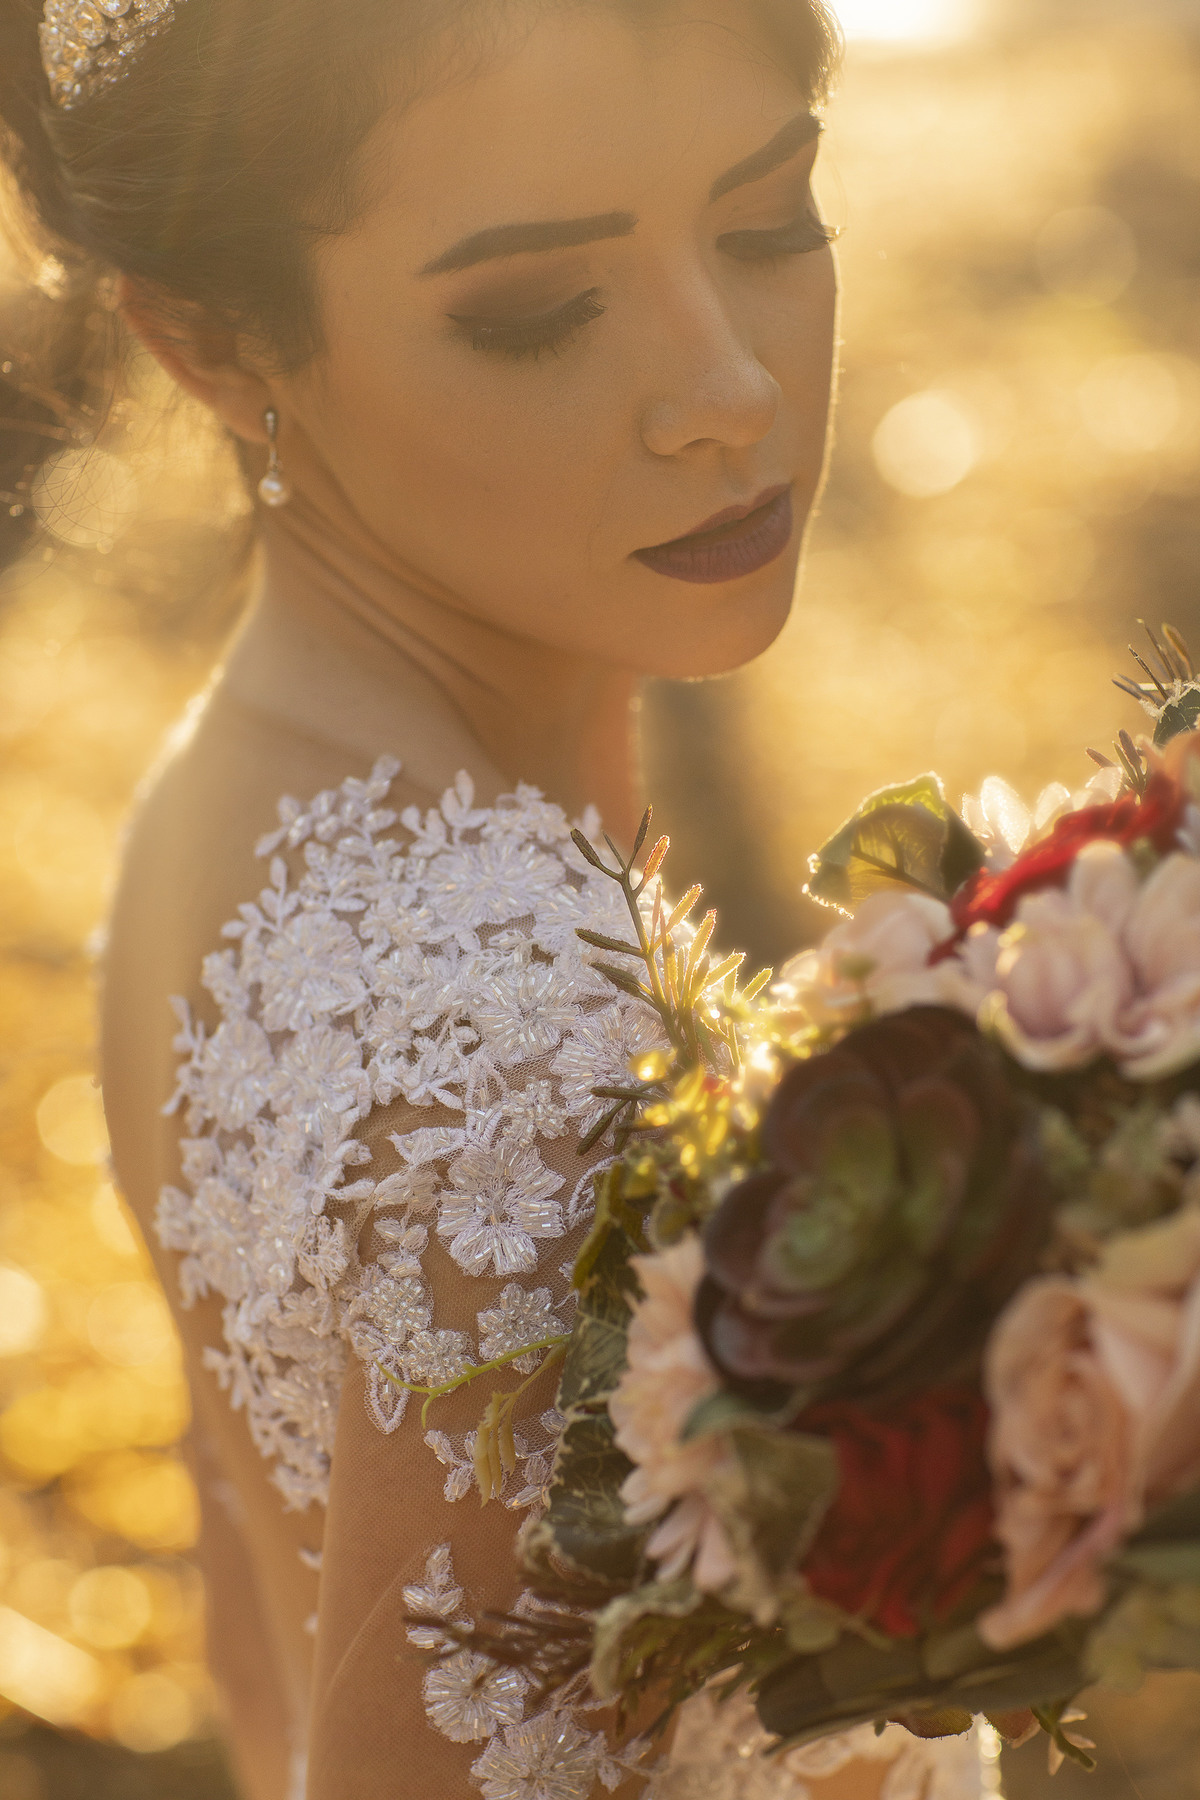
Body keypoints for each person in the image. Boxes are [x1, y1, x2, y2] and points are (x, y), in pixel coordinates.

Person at [0, 1, 980, 1796]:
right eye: (538, 310)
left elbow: (272, 1645)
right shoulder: (522, 1042)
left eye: (771, 222)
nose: (730, 389)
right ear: (215, 342)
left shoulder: (222, 809)